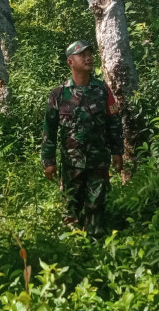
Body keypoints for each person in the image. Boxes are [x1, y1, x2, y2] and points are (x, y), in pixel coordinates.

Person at [41, 40, 124, 237]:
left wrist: (117, 152)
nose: (88, 58)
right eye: (82, 55)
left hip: (98, 160)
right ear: (70, 62)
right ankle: (74, 245)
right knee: (71, 205)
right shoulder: (59, 94)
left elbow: (114, 121)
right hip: (72, 163)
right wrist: (49, 161)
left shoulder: (102, 90)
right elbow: (49, 130)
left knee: (97, 205)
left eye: (89, 54)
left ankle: (97, 243)